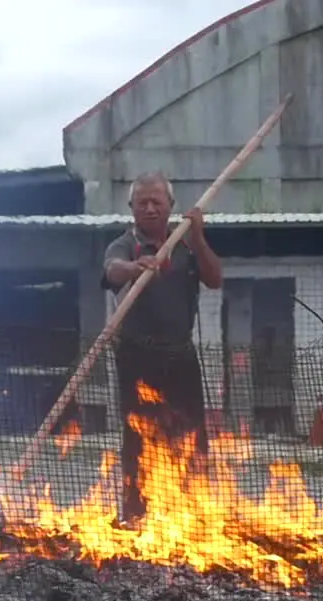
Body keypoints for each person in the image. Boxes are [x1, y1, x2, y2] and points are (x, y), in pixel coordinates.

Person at [103, 171, 222, 522]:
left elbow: (215, 279)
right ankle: (136, 515)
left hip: (180, 355)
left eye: (157, 202)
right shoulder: (126, 244)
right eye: (143, 203)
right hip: (137, 357)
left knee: (191, 437)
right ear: (132, 208)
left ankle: (194, 516)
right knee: (138, 438)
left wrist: (198, 238)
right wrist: (135, 267)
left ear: (171, 205)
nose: (150, 208)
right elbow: (111, 270)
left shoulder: (186, 244)